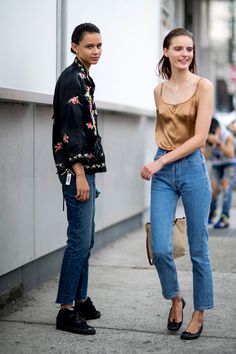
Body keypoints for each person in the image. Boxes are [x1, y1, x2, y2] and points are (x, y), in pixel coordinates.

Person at [141, 28, 214, 340]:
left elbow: (199, 138)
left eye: (189, 49)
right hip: (164, 174)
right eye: (179, 49)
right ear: (166, 52)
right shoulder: (158, 91)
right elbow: (166, 133)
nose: (185, 54)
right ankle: (176, 298)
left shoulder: (204, 87)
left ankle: (199, 312)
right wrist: (161, 161)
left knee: (198, 247)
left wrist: (160, 162)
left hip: (192, 169)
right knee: (159, 247)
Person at [52, 23, 106, 335]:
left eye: (99, 45)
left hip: (87, 170)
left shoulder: (83, 76)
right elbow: (70, 133)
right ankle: (66, 309)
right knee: (78, 241)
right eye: (89, 46)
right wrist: (81, 176)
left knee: (87, 239)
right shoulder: (72, 80)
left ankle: (80, 297)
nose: (96, 51)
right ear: (74, 46)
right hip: (78, 172)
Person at [205, 117, 236, 228]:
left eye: (214, 131)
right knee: (212, 189)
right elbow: (206, 157)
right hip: (217, 164)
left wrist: (219, 143)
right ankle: (212, 213)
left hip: (230, 163)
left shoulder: (226, 136)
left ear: (218, 129)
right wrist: (208, 144)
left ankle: (224, 217)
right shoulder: (206, 137)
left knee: (226, 186)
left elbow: (231, 153)